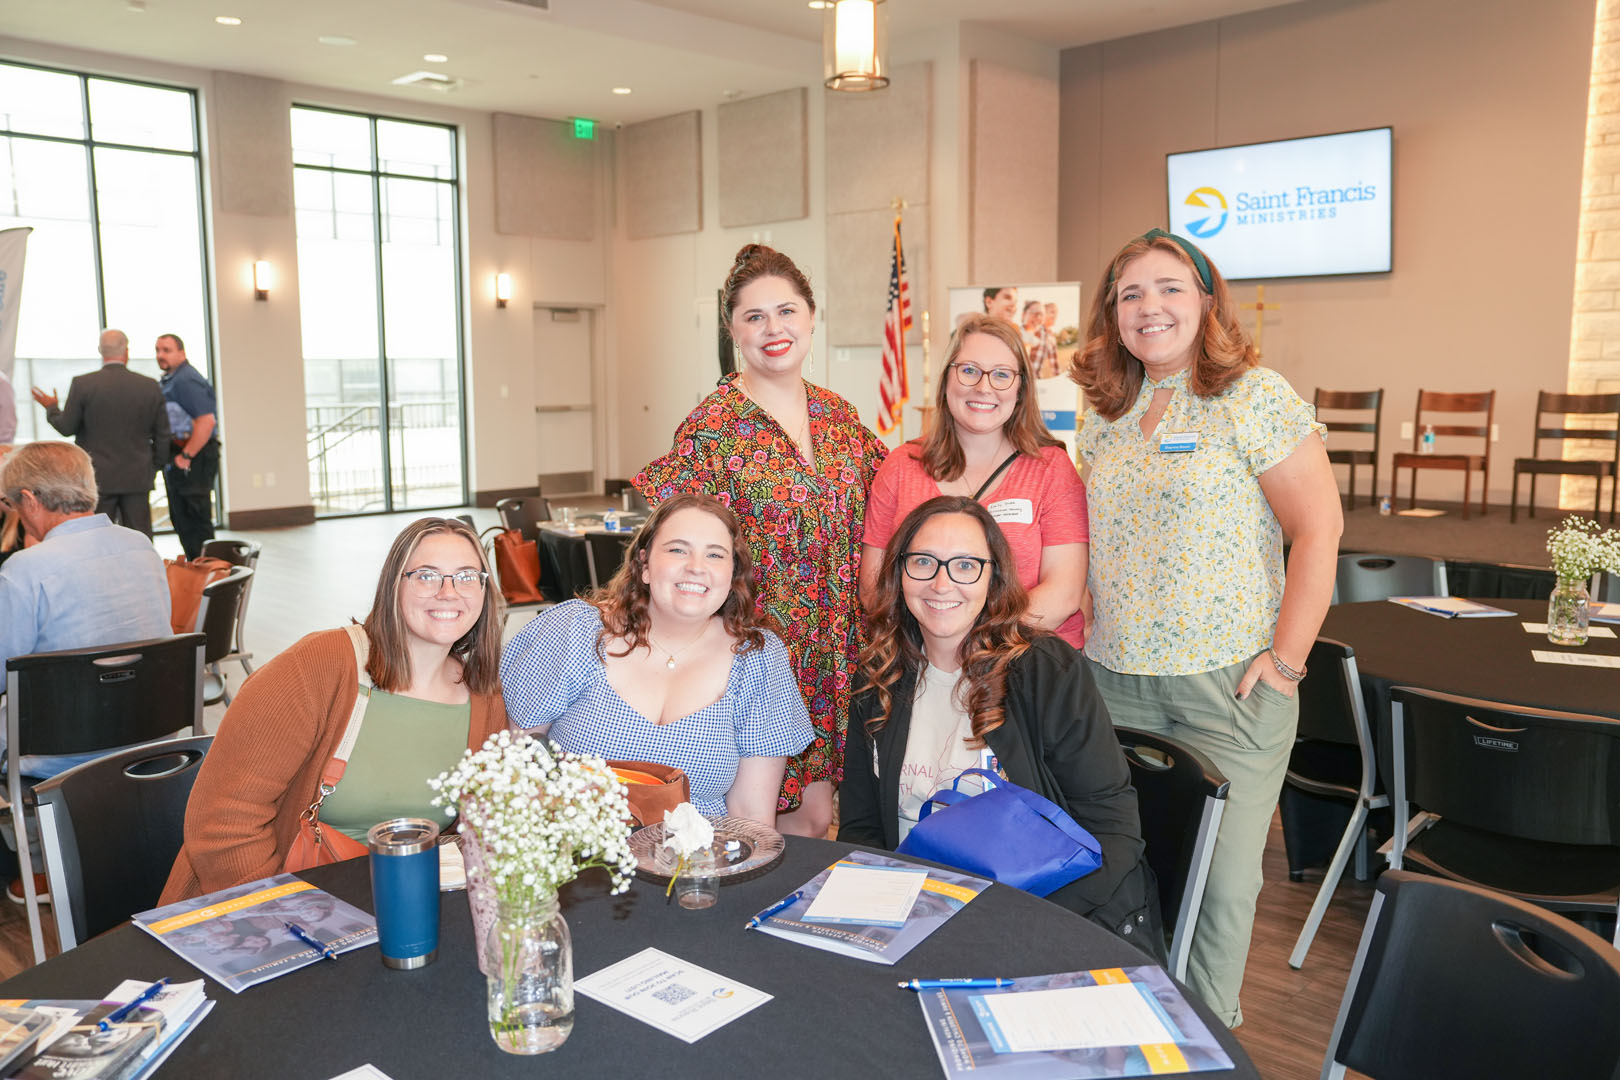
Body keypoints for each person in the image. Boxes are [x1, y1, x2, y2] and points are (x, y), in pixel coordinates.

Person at [1071, 228, 1341, 1026]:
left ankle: (1203, 1043)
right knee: (1123, 874)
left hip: (1227, 687)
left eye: (1169, 288)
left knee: (1220, 889)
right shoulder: (1104, 414)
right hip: (1112, 682)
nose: (1150, 306)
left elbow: (1318, 529)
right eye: (1130, 294)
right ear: (1111, 314)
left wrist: (1288, 661)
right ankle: (1125, 1031)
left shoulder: (1253, 395)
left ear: (1206, 299)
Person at [634, 244, 887, 838]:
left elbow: (891, 506)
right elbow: (680, 547)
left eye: (787, 311)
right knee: (771, 822)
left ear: (811, 316)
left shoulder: (839, 416)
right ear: (732, 331)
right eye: (754, 317)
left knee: (828, 816)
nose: (774, 329)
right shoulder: (712, 428)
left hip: (839, 652)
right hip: (758, 653)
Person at [839, 496, 1162, 955]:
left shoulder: (1046, 671)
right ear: (898, 573)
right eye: (923, 562)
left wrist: (1012, 925)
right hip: (919, 915)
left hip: (1044, 914)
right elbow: (862, 828)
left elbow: (1113, 833)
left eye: (966, 565)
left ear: (994, 578)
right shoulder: (880, 677)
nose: (942, 582)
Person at [160, 517, 511, 902]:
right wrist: (276, 914)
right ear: (394, 584)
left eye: (466, 576)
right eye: (427, 575)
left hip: (401, 902)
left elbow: (481, 832)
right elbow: (224, 821)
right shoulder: (319, 667)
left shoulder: (485, 696)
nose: (448, 592)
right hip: (275, 906)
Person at [502, 493, 813, 827]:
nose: (696, 567)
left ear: (732, 574)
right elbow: (514, 771)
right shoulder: (574, 633)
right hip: (573, 860)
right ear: (645, 565)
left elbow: (751, 816)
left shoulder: (758, 660)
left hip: (695, 868)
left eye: (715, 554)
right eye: (677, 549)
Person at [0, 440, 171, 900]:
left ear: (31, 499)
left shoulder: (24, 570)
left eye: (11, 502)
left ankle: (37, 868)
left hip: (60, 750)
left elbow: (2, 676)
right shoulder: (143, 547)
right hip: (150, 734)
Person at [861, 314, 1088, 649]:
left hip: (1027, 665)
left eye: (1001, 375)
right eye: (969, 371)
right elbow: (873, 587)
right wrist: (941, 657)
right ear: (946, 379)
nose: (984, 387)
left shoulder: (1051, 469)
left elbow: (1063, 594)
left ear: (1021, 388)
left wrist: (969, 646)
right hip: (922, 663)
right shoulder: (900, 466)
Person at [31, 329, 169, 538]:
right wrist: (154, 465)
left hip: (97, 477)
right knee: (140, 536)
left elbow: (67, 428)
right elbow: (163, 434)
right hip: (138, 475)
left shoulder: (83, 384)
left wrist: (52, 408)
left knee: (96, 535)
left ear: (100, 351)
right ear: (127, 351)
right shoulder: (149, 386)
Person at [156, 333, 219, 560]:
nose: (160, 355)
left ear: (181, 353)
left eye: (167, 350)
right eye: (158, 350)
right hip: (182, 455)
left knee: (195, 522)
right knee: (182, 520)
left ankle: (211, 578)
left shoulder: (186, 380)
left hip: (195, 457)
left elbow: (206, 421)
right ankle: (197, 572)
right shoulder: (171, 379)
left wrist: (186, 455)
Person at [1025, 299, 1060, 379]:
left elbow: (1055, 365)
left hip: (1037, 380)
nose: (1055, 316)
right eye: (1052, 312)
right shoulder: (1033, 330)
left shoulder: (1052, 338)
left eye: (1056, 313)